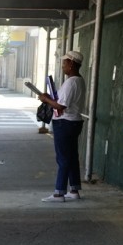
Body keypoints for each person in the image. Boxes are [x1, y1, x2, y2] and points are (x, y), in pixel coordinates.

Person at [37, 50, 86, 202]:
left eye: (64, 63)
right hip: (73, 122)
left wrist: (46, 99)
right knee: (71, 156)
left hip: (65, 122)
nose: (63, 66)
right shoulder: (79, 80)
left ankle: (59, 192)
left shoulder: (71, 82)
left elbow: (60, 106)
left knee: (63, 157)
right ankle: (74, 189)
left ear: (71, 64)